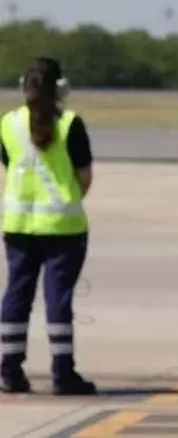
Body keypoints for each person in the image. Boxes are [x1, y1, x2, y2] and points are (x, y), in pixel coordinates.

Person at [0, 57, 97, 396]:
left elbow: (10, 165)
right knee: (58, 300)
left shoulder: (8, 123)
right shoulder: (70, 123)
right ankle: (62, 373)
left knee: (16, 294)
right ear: (61, 88)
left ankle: (9, 370)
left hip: (17, 226)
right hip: (62, 227)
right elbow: (84, 177)